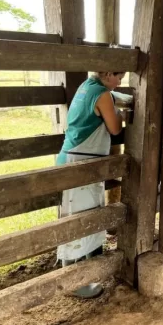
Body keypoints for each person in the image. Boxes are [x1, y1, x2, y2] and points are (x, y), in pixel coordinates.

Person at [56, 71, 127, 267]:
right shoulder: (102, 94)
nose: (119, 83)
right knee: (78, 220)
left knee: (72, 215)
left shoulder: (86, 86)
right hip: (81, 161)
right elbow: (115, 129)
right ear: (109, 73)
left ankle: (81, 271)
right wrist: (120, 114)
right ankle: (71, 276)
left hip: (71, 156)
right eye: (119, 78)